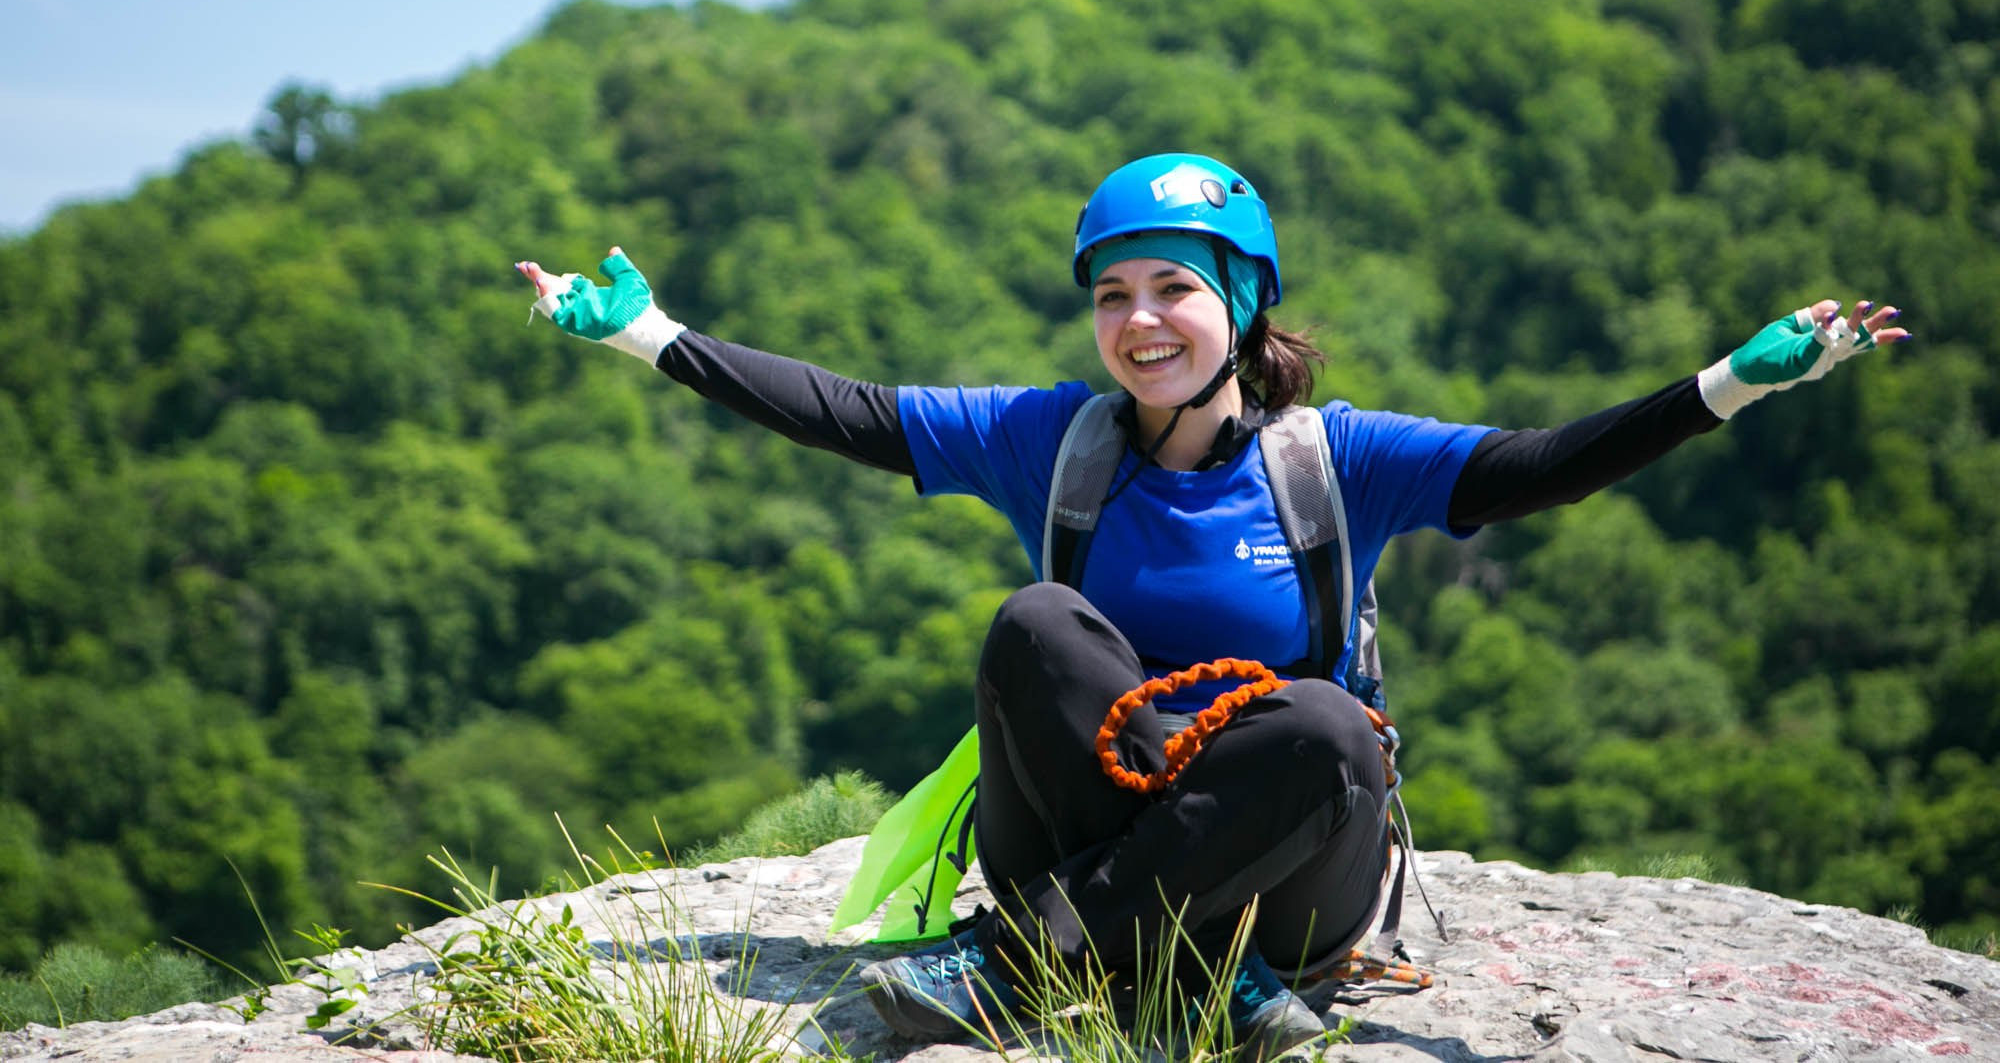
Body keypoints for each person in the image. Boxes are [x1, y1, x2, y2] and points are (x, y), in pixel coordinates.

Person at [517, 152, 1906, 1060]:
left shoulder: (1335, 457)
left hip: (1284, 888)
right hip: (1095, 826)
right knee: (1034, 629)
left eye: (1174, 285)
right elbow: (855, 415)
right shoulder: (1052, 439)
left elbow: (1537, 467)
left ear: (1241, 301)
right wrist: (650, 335)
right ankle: (1166, 981)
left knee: (1326, 726)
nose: (1140, 320)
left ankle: (1021, 967)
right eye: (1113, 292)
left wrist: (1730, 382)